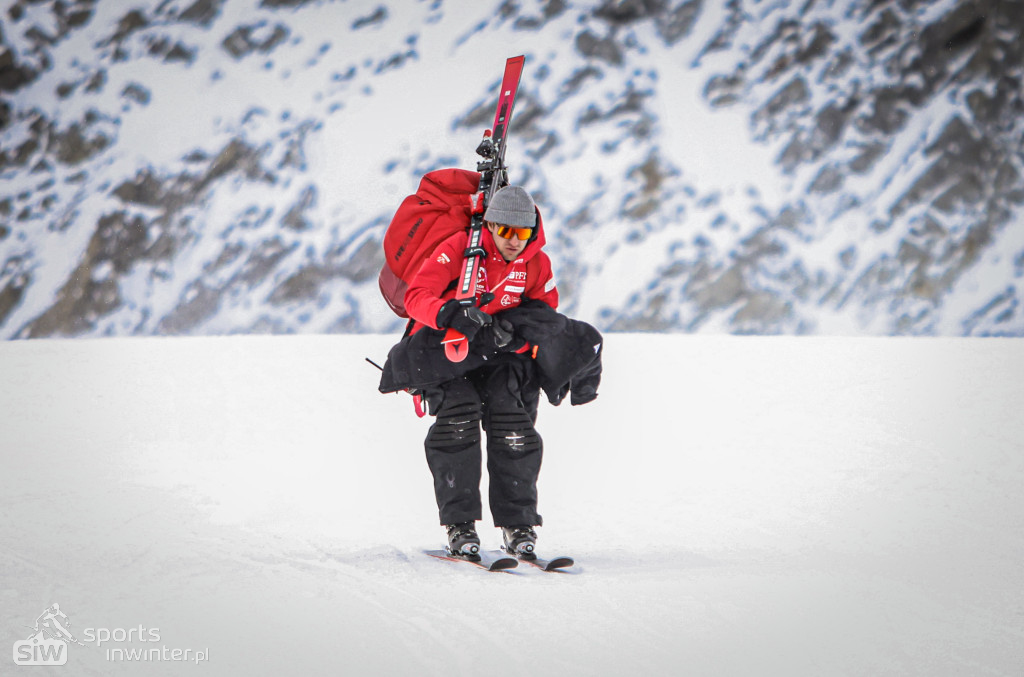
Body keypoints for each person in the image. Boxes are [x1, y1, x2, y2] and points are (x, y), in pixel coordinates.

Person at [401, 185, 558, 556]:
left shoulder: (537, 264)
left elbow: (545, 318)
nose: (513, 241)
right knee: (458, 420)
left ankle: (518, 526)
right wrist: (448, 313)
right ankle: (460, 526)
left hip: (504, 358)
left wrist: (516, 336)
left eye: (522, 232)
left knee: (513, 424)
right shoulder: (459, 249)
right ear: (489, 225)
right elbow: (416, 297)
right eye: (504, 230)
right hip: (449, 353)